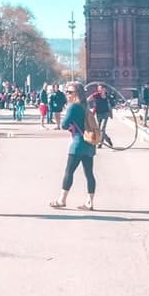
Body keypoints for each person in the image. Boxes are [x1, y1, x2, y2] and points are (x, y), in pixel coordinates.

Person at [50, 82, 97, 211]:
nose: (67, 94)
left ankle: (61, 200)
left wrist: (70, 124)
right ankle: (89, 202)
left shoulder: (73, 107)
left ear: (77, 93)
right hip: (89, 143)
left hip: (77, 144)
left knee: (69, 171)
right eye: (67, 91)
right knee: (89, 173)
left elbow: (64, 124)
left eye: (70, 92)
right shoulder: (85, 106)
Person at [87, 83, 114, 148]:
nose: (99, 90)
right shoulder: (96, 95)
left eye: (100, 88)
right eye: (98, 88)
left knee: (102, 129)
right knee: (98, 130)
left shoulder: (108, 96)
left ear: (104, 89)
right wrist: (88, 109)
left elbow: (109, 106)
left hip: (105, 113)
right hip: (98, 113)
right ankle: (107, 139)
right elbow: (87, 99)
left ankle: (100, 143)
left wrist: (111, 114)